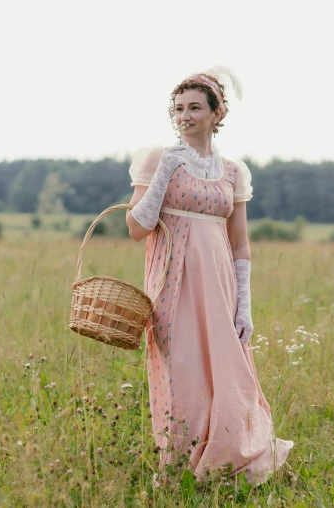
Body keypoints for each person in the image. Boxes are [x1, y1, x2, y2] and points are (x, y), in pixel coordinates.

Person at [125, 68, 293, 484]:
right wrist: (165, 171)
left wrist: (245, 305)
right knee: (182, 371)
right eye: (179, 108)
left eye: (195, 107)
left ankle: (227, 463)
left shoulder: (234, 172)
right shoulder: (158, 159)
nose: (185, 116)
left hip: (219, 287)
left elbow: (240, 245)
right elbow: (136, 227)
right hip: (172, 282)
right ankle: (179, 468)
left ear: (217, 114)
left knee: (229, 374)